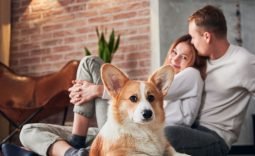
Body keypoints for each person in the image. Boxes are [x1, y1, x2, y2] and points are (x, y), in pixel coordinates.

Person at [17, 34, 206, 156]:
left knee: (90, 62)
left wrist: (94, 90)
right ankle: (74, 152)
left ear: (193, 62)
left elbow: (153, 90)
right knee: (28, 130)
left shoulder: (189, 76)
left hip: (140, 136)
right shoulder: (149, 86)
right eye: (174, 52)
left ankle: (75, 141)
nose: (175, 58)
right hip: (119, 130)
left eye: (184, 57)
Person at [164, 5, 255, 156]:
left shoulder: (245, 63)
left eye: (193, 37)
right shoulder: (200, 61)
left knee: (167, 133)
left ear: (207, 37)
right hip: (189, 129)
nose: (192, 42)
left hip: (215, 138)